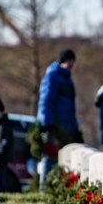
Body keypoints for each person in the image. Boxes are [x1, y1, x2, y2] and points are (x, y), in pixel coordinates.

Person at [37, 48, 80, 189]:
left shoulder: (69, 80)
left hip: (66, 127)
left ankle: (54, 191)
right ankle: (44, 190)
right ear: (63, 61)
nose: (72, 64)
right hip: (54, 125)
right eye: (69, 61)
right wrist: (46, 122)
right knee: (49, 158)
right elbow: (46, 100)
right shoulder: (52, 77)